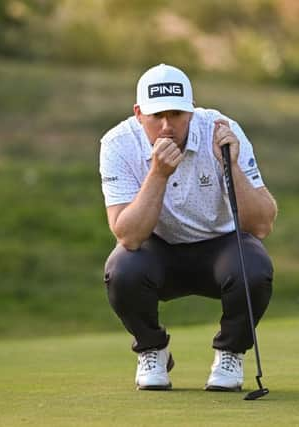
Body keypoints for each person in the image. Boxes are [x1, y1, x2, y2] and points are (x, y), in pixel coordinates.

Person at [99, 64, 277, 391]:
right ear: (139, 114)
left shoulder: (223, 132)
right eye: (157, 116)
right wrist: (158, 174)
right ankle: (152, 349)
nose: (167, 126)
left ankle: (231, 352)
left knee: (255, 266)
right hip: (156, 251)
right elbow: (128, 235)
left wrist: (231, 166)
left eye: (177, 114)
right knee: (121, 269)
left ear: (192, 112)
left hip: (221, 248)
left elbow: (262, 224)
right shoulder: (118, 143)